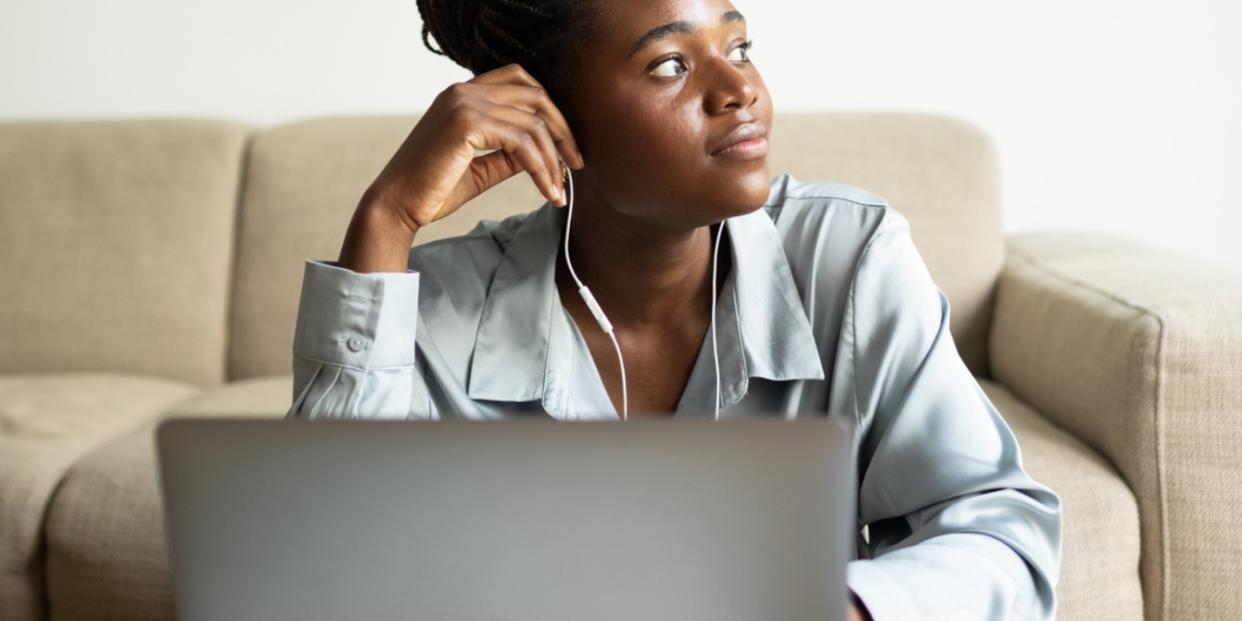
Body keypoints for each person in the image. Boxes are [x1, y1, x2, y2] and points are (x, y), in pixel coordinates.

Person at [286, 0, 1063, 618]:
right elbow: (314, 571)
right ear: (549, 116)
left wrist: (850, 606)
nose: (738, 90)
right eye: (669, 64)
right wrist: (387, 216)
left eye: (740, 46)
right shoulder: (436, 307)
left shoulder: (849, 258)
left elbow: (1002, 527)